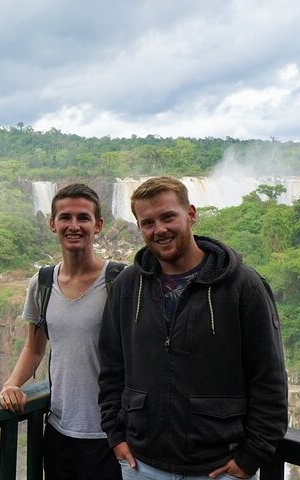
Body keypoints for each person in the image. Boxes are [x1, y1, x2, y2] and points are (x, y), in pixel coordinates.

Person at [98, 176, 288, 479]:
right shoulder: (127, 286)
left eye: (168, 217)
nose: (159, 229)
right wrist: (116, 436)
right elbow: (111, 367)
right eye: (148, 222)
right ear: (139, 228)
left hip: (219, 467)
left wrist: (252, 456)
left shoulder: (242, 286)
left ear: (191, 214)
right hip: (141, 465)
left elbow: (269, 377)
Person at [0, 183, 122, 480]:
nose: (74, 226)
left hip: (111, 435)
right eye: (65, 217)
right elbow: (34, 348)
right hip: (58, 432)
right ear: (53, 224)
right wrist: (11, 384)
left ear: (98, 225)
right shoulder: (41, 283)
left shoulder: (120, 281)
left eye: (83, 218)